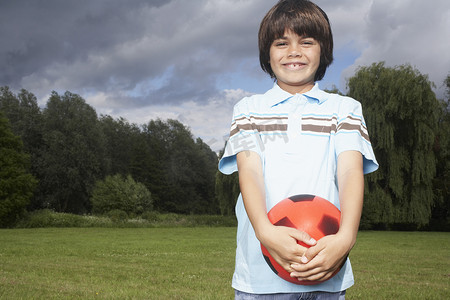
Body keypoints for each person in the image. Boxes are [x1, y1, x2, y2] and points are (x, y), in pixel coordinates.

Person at [218, 0, 379, 299]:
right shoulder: (248, 110)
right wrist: (266, 232)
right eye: (282, 43)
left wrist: (346, 238)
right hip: (260, 278)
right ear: (267, 52)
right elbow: (250, 171)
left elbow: (350, 172)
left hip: (327, 271)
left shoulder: (345, 109)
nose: (294, 52)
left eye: (306, 41)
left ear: (324, 50)